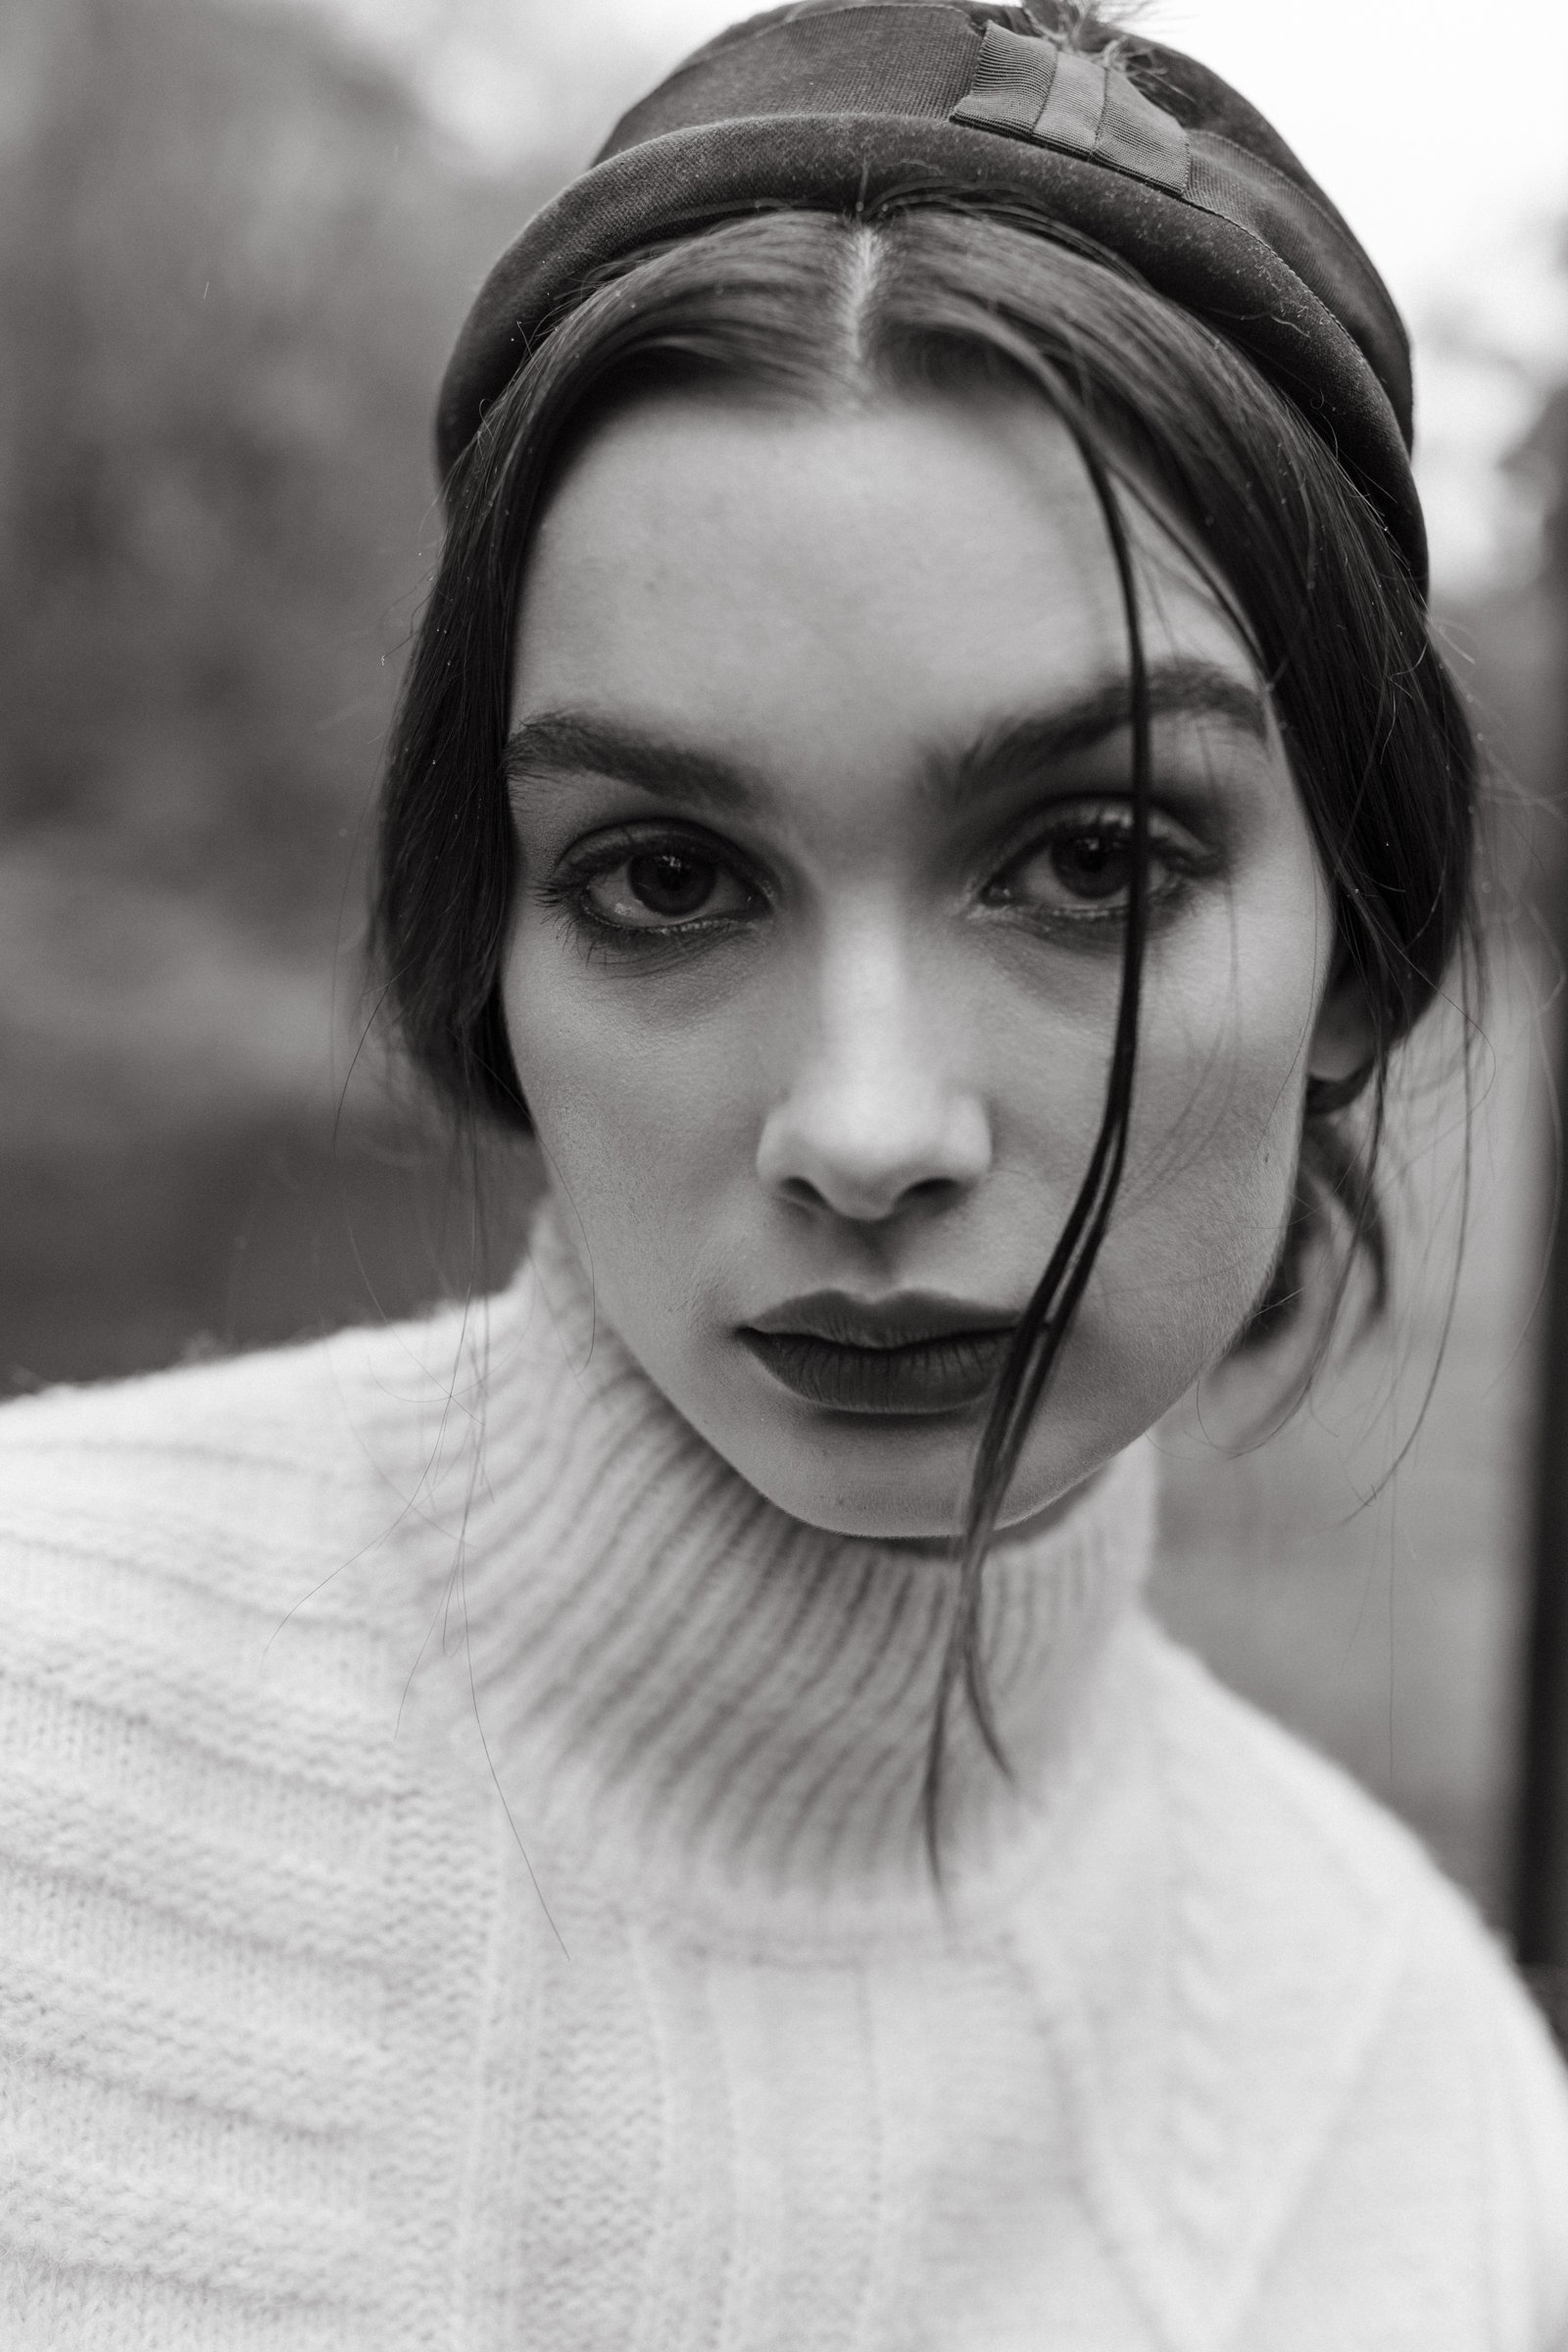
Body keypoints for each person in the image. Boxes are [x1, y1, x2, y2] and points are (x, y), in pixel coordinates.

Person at [3, 0, 1566, 2342]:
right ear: (490, 946)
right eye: (662, 880)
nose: (860, 1129)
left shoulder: (1424, 2116)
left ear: (1359, 945)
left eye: (1094, 857)